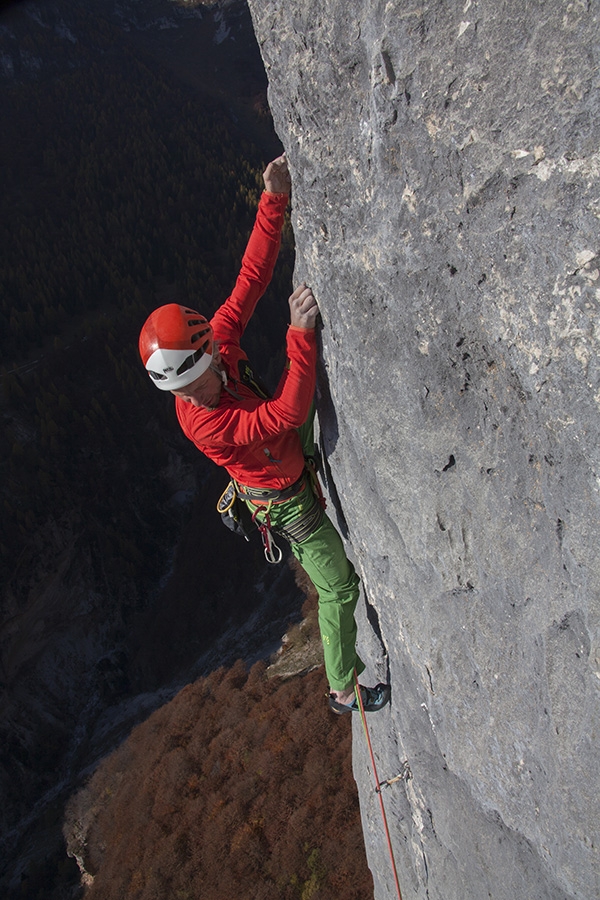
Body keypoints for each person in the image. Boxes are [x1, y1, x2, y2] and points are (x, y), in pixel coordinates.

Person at [138, 154, 390, 714]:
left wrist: (272, 200)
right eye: (191, 384)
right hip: (284, 501)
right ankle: (342, 687)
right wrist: (300, 336)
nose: (202, 386)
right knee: (340, 586)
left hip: (290, 455)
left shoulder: (215, 345)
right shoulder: (205, 422)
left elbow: (251, 280)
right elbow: (281, 416)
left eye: (204, 371)